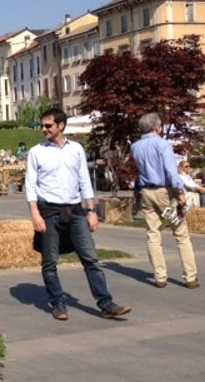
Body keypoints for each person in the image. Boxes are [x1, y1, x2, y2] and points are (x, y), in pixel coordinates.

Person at [26, 108, 131, 320]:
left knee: (91, 258)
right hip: (49, 210)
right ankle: (58, 303)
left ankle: (106, 304)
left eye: (48, 125)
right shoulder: (36, 152)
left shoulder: (76, 149)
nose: (44, 129)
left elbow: (84, 180)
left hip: (75, 209)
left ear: (61, 126)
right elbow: (30, 186)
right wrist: (35, 215)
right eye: (42, 126)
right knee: (50, 262)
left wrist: (91, 211)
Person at [130, 113, 198, 289]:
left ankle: (160, 276)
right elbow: (170, 171)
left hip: (146, 192)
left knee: (153, 233)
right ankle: (190, 276)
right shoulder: (162, 144)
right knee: (181, 232)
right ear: (156, 127)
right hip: (164, 191)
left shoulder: (136, 147)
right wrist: (180, 192)